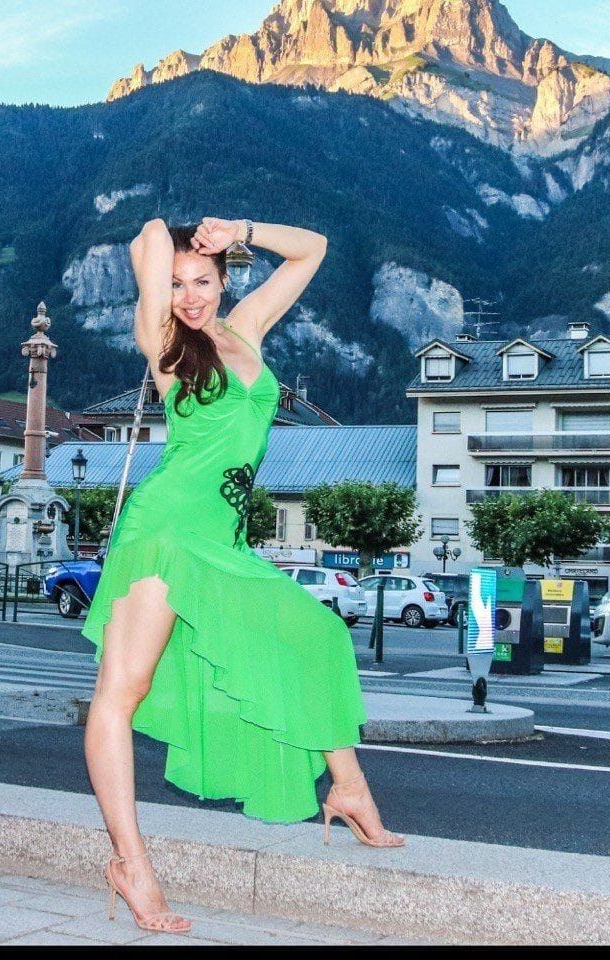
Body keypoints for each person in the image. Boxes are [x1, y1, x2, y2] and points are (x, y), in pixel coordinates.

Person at [81, 216, 405, 935]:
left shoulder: (247, 329)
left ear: (226, 280)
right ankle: (131, 864)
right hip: (166, 533)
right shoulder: (164, 339)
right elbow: (148, 234)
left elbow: (315, 248)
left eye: (202, 281)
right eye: (176, 285)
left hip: (222, 538)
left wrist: (242, 228)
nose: (190, 296)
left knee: (316, 633)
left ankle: (348, 789)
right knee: (120, 694)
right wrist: (182, 245)